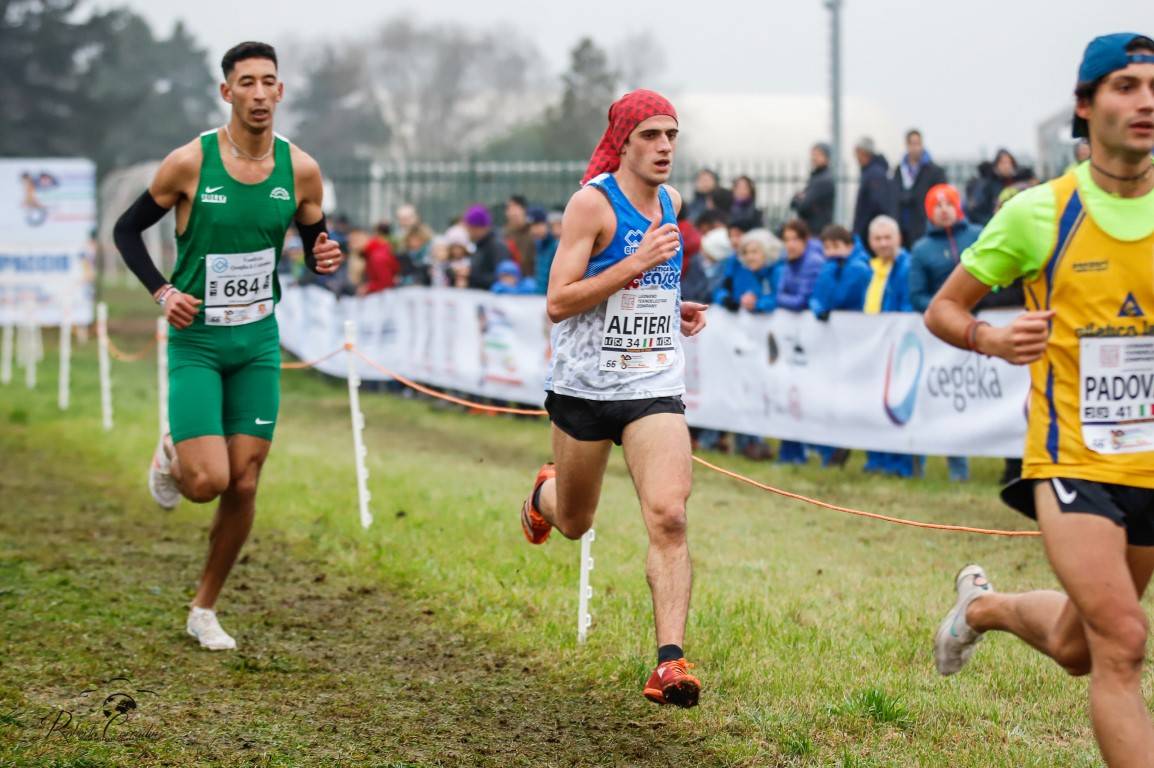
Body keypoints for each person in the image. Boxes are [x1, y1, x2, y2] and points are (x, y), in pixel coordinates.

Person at [926, 34, 1154, 768]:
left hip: (1149, 463)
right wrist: (993, 340)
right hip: (1071, 462)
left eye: (1153, 86)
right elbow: (944, 311)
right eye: (1125, 86)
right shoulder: (1038, 214)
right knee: (1123, 641)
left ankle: (982, 608)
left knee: (1080, 648)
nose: (1146, 101)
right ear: (1084, 109)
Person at [112, 41, 344, 651]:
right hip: (197, 342)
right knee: (207, 481)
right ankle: (171, 453)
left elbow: (318, 239)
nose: (260, 94)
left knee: (245, 481)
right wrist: (162, 291)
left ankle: (204, 608)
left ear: (281, 91)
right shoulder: (190, 163)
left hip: (259, 340)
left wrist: (325, 254)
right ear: (227, 92)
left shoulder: (301, 170)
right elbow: (126, 229)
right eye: (247, 83)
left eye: (270, 82)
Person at [519, 90, 708, 708]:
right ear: (624, 140)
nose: (664, 149)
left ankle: (669, 663)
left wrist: (669, 309)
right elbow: (558, 301)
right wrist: (632, 266)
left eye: (672, 136)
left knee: (670, 514)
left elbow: (649, 282)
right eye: (652, 135)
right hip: (585, 388)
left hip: (652, 385)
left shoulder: (672, 202)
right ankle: (543, 496)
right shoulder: (590, 205)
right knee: (575, 522)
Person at [909, 184, 982, 481]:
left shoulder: (977, 236)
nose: (943, 209)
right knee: (939, 400)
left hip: (979, 329)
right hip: (940, 336)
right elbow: (917, 295)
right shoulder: (921, 249)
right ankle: (934, 466)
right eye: (936, 205)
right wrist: (947, 312)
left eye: (948, 203)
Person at [712, 228, 782, 460]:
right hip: (740, 341)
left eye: (755, 252)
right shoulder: (737, 267)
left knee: (760, 388)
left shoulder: (775, 271)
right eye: (747, 252)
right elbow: (720, 290)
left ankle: (755, 440)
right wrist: (728, 300)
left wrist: (760, 304)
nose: (750, 257)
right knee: (739, 385)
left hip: (768, 343)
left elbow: (778, 298)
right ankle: (742, 441)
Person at [810, 224, 871, 468]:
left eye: (836, 246)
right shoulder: (830, 267)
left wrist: (832, 272)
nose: (831, 252)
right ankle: (832, 450)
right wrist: (818, 309)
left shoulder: (857, 268)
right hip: (834, 342)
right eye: (827, 247)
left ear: (848, 245)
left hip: (855, 339)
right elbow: (817, 297)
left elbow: (840, 297)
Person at [860, 216, 916, 478]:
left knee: (899, 401)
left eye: (887, 238)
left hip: (898, 345)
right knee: (871, 401)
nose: (883, 243)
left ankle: (902, 462)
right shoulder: (869, 267)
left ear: (898, 239)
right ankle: (876, 457)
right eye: (878, 239)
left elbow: (908, 303)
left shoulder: (907, 266)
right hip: (872, 346)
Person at [775, 218, 825, 465]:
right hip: (791, 340)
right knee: (789, 392)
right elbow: (781, 293)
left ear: (805, 240)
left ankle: (811, 449)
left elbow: (800, 300)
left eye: (795, 239)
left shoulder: (813, 263)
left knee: (809, 394)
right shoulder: (787, 264)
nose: (790, 245)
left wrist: (782, 299)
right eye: (787, 240)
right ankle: (790, 451)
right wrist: (784, 299)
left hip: (811, 341)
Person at [893, 129, 947, 247]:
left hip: (924, 224)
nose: (915, 147)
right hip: (903, 225)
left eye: (918, 143)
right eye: (912, 144)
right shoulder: (899, 170)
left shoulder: (935, 171)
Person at [852, 136, 897, 244]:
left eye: (857, 153)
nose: (856, 157)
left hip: (871, 232)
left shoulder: (875, 174)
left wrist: (864, 228)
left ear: (864, 153)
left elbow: (877, 204)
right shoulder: (870, 172)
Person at [790, 142, 836, 234]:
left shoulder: (822, 180)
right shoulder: (817, 177)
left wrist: (799, 199)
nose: (814, 158)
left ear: (827, 157)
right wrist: (799, 198)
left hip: (816, 230)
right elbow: (794, 202)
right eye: (813, 154)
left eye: (818, 155)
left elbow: (804, 206)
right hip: (814, 229)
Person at [464, 204, 512, 290]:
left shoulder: (497, 246)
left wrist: (471, 275)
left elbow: (503, 278)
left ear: (478, 227)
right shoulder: (479, 245)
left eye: (469, 228)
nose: (467, 231)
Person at [358, 221, 398, 295]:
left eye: (357, 239)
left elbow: (386, 282)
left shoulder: (377, 256)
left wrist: (368, 287)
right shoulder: (369, 253)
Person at [504, 194, 537, 279]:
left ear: (524, 210)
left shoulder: (533, 233)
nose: (511, 212)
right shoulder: (506, 234)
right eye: (509, 208)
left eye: (515, 208)